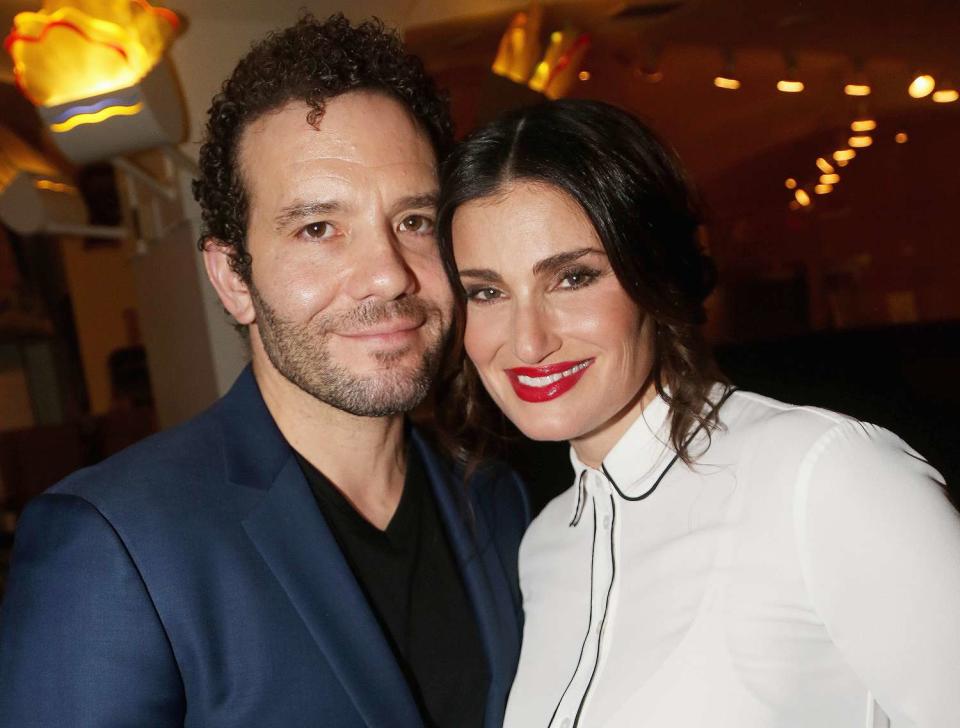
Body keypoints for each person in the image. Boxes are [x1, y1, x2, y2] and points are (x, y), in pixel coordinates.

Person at [0, 15, 529, 728]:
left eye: (414, 221)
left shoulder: (497, 499)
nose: (387, 275)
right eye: (318, 228)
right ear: (233, 279)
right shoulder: (111, 547)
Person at [435, 99, 960, 728]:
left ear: (651, 276)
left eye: (573, 278)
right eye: (487, 292)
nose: (526, 341)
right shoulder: (545, 545)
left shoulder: (823, 477)